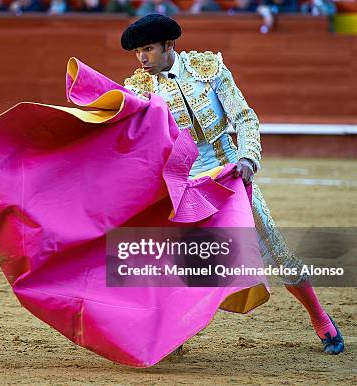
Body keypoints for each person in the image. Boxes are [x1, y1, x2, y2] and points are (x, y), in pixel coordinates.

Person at [121, 14, 344, 355]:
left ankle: (319, 317)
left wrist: (248, 158)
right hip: (182, 181)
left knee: (274, 247)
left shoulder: (208, 69)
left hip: (229, 172)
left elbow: (244, 117)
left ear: (169, 45)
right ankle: (173, 335)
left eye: (148, 49)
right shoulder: (138, 89)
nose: (142, 59)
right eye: (137, 52)